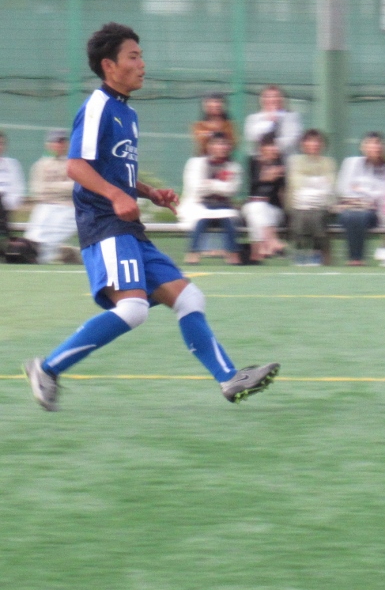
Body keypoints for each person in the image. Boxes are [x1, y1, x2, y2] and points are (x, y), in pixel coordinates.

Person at [23, 22, 278, 411]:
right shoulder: (97, 106)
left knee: (189, 297)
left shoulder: (127, 113)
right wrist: (114, 195)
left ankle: (229, 378)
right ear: (109, 66)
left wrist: (147, 192)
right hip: (104, 225)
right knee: (133, 309)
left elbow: (113, 169)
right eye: (134, 57)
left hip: (128, 227)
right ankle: (47, 369)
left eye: (141, 56)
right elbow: (76, 166)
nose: (142, 64)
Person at [181, 132, 242, 265]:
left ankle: (233, 253)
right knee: (201, 219)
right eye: (218, 144)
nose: (222, 147)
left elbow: (231, 189)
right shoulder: (196, 163)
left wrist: (210, 184)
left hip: (224, 205)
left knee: (228, 219)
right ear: (209, 146)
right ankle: (193, 253)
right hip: (200, 204)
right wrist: (220, 186)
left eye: (224, 144)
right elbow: (196, 187)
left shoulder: (233, 166)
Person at [336, 131, 385, 266]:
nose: (374, 147)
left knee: (360, 216)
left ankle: (356, 258)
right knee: (351, 216)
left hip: (374, 212)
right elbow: (342, 188)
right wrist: (368, 194)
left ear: (384, 147)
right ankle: (355, 258)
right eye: (370, 144)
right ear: (362, 147)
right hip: (350, 207)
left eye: (378, 143)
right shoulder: (351, 163)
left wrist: (361, 190)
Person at [25, 129, 78, 264]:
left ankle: (55, 255)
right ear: (48, 145)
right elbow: (38, 191)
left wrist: (51, 187)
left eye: (61, 142)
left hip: (68, 206)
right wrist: (62, 187)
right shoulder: (41, 165)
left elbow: (75, 187)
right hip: (45, 205)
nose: (59, 145)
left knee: (54, 234)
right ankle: (56, 254)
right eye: (55, 142)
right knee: (35, 234)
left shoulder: (74, 164)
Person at [287, 129, 336, 266]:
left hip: (322, 204)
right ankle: (300, 251)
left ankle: (316, 252)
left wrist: (309, 183)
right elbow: (297, 184)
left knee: (317, 216)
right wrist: (318, 182)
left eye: (317, 141)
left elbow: (329, 186)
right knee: (301, 215)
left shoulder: (329, 162)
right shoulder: (295, 161)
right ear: (303, 144)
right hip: (298, 204)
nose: (314, 144)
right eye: (310, 141)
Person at [244, 136, 287, 262]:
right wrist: (264, 178)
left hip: (273, 211)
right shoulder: (253, 162)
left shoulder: (280, 165)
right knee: (256, 208)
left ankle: (258, 251)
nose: (273, 149)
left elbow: (281, 194)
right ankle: (272, 241)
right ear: (261, 148)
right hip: (253, 207)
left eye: (274, 146)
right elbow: (252, 185)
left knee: (255, 209)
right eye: (269, 145)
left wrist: (278, 177)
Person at [245, 85, 303, 155]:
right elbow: (252, 137)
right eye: (268, 97)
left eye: (276, 96)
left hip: (286, 158)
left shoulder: (291, 117)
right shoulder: (253, 118)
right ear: (262, 100)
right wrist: (268, 122)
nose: (272, 99)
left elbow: (292, 140)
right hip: (260, 158)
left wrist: (270, 148)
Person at [0, 130, 25, 215]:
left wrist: (8, 203)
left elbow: (18, 189)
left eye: (1, 143)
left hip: (5, 210)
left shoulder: (13, 164)